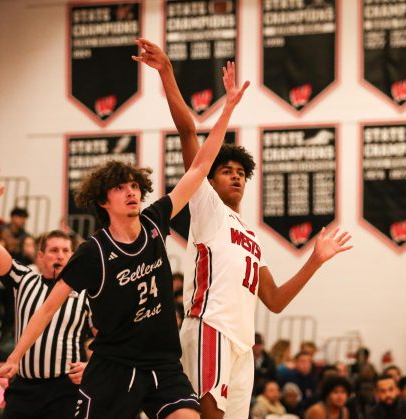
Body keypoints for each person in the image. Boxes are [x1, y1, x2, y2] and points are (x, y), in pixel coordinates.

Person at [0, 59, 249, 419]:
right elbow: (47, 308)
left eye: (135, 186)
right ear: (103, 201)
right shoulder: (93, 253)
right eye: (121, 188)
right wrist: (14, 358)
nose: (132, 192)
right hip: (113, 368)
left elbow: (200, 166)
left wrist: (228, 109)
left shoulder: (156, 220)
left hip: (162, 364)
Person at [134, 37, 352, 419]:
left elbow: (276, 301)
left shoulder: (250, 234)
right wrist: (168, 73)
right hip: (209, 327)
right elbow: (188, 133)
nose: (235, 177)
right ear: (211, 180)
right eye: (226, 171)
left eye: (240, 173)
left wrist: (315, 260)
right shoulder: (207, 206)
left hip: (242, 342)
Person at [0, 170, 93, 419]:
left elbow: (106, 338)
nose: (59, 255)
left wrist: (92, 366)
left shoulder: (84, 292)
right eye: (52, 250)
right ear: (40, 257)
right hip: (24, 386)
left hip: (65, 388)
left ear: (72, 256)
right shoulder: (23, 279)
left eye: (65, 251)